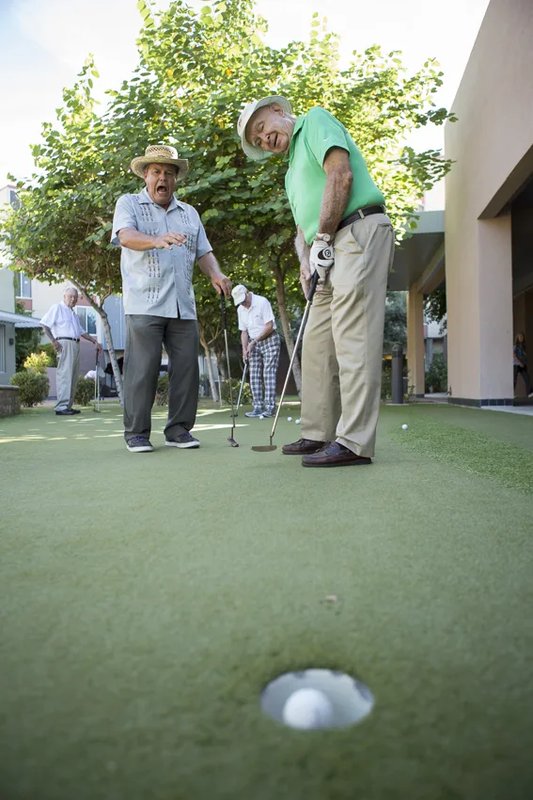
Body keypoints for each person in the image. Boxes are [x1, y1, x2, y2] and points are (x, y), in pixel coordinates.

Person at [237, 96, 395, 467]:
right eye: (257, 140)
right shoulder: (290, 172)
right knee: (316, 343)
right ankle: (318, 432)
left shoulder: (314, 121)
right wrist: (305, 263)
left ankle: (354, 442)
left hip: (356, 231)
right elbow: (302, 225)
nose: (264, 139)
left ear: (277, 111)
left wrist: (322, 238)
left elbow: (340, 175)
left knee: (353, 337)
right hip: (325, 250)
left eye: (262, 128)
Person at [112, 144, 232, 453]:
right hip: (145, 302)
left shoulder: (189, 213)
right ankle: (136, 433)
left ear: (176, 178)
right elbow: (125, 236)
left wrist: (216, 275)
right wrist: (155, 240)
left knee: (187, 370)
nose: (162, 178)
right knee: (142, 371)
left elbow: (204, 252)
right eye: (156, 171)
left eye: (168, 172)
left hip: (183, 304)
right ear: (145, 176)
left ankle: (178, 430)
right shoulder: (129, 204)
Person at [41, 287, 101, 415]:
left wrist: (94, 341)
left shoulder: (73, 314)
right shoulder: (57, 308)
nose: (73, 299)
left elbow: (81, 331)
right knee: (65, 374)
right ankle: (61, 407)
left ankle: (68, 405)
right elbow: (45, 325)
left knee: (73, 376)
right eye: (70, 296)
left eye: (75, 297)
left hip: (75, 344)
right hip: (64, 343)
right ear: (64, 296)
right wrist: (53, 341)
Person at [231, 284, 281, 418]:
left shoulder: (262, 302)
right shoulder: (240, 309)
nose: (243, 304)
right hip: (253, 343)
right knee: (254, 375)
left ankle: (270, 408)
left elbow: (269, 326)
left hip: (269, 339)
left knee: (268, 373)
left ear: (247, 293)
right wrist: (244, 349)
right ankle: (258, 407)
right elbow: (244, 332)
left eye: (243, 300)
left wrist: (254, 342)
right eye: (240, 302)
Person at [513, 332, 532, 397]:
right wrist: (520, 363)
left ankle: (529, 393)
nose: (521, 338)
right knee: (514, 379)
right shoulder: (515, 346)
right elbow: (513, 356)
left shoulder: (523, 347)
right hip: (516, 365)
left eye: (522, 337)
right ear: (517, 338)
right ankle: (511, 394)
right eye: (520, 336)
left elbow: (525, 356)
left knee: (527, 378)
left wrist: (524, 363)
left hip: (523, 365)